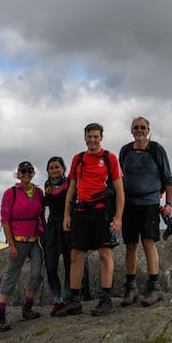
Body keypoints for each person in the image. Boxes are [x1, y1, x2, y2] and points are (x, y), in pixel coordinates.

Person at [59, 123, 124, 317]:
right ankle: (74, 300)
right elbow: (71, 187)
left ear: (101, 138)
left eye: (96, 136)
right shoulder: (78, 159)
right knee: (75, 255)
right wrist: (66, 214)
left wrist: (119, 217)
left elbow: (120, 190)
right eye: (89, 136)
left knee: (104, 254)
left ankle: (105, 299)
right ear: (85, 137)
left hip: (102, 211)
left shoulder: (109, 158)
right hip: (81, 211)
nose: (92, 140)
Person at [118, 116, 172, 307]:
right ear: (131, 130)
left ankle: (154, 288)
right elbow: (119, 178)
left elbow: (168, 178)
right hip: (128, 204)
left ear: (148, 130)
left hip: (150, 203)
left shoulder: (156, 150)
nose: (139, 130)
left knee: (148, 243)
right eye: (136, 127)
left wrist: (168, 204)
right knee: (130, 245)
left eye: (143, 127)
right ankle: (131, 288)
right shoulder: (125, 151)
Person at [0, 161, 46, 331]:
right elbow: (5, 220)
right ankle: (0, 315)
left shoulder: (39, 192)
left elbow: (41, 215)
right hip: (18, 241)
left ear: (33, 174)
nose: (26, 174)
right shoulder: (10, 193)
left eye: (29, 171)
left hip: (34, 241)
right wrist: (11, 245)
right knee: (11, 276)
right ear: (18, 174)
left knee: (37, 273)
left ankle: (27, 309)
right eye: (23, 172)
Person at [42, 156, 72, 316]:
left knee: (69, 266)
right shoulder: (47, 186)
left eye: (57, 167)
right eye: (51, 168)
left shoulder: (70, 184)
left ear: (63, 169)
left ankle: (68, 299)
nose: (54, 170)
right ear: (48, 171)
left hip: (67, 227)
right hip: (52, 228)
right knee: (51, 267)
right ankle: (57, 299)